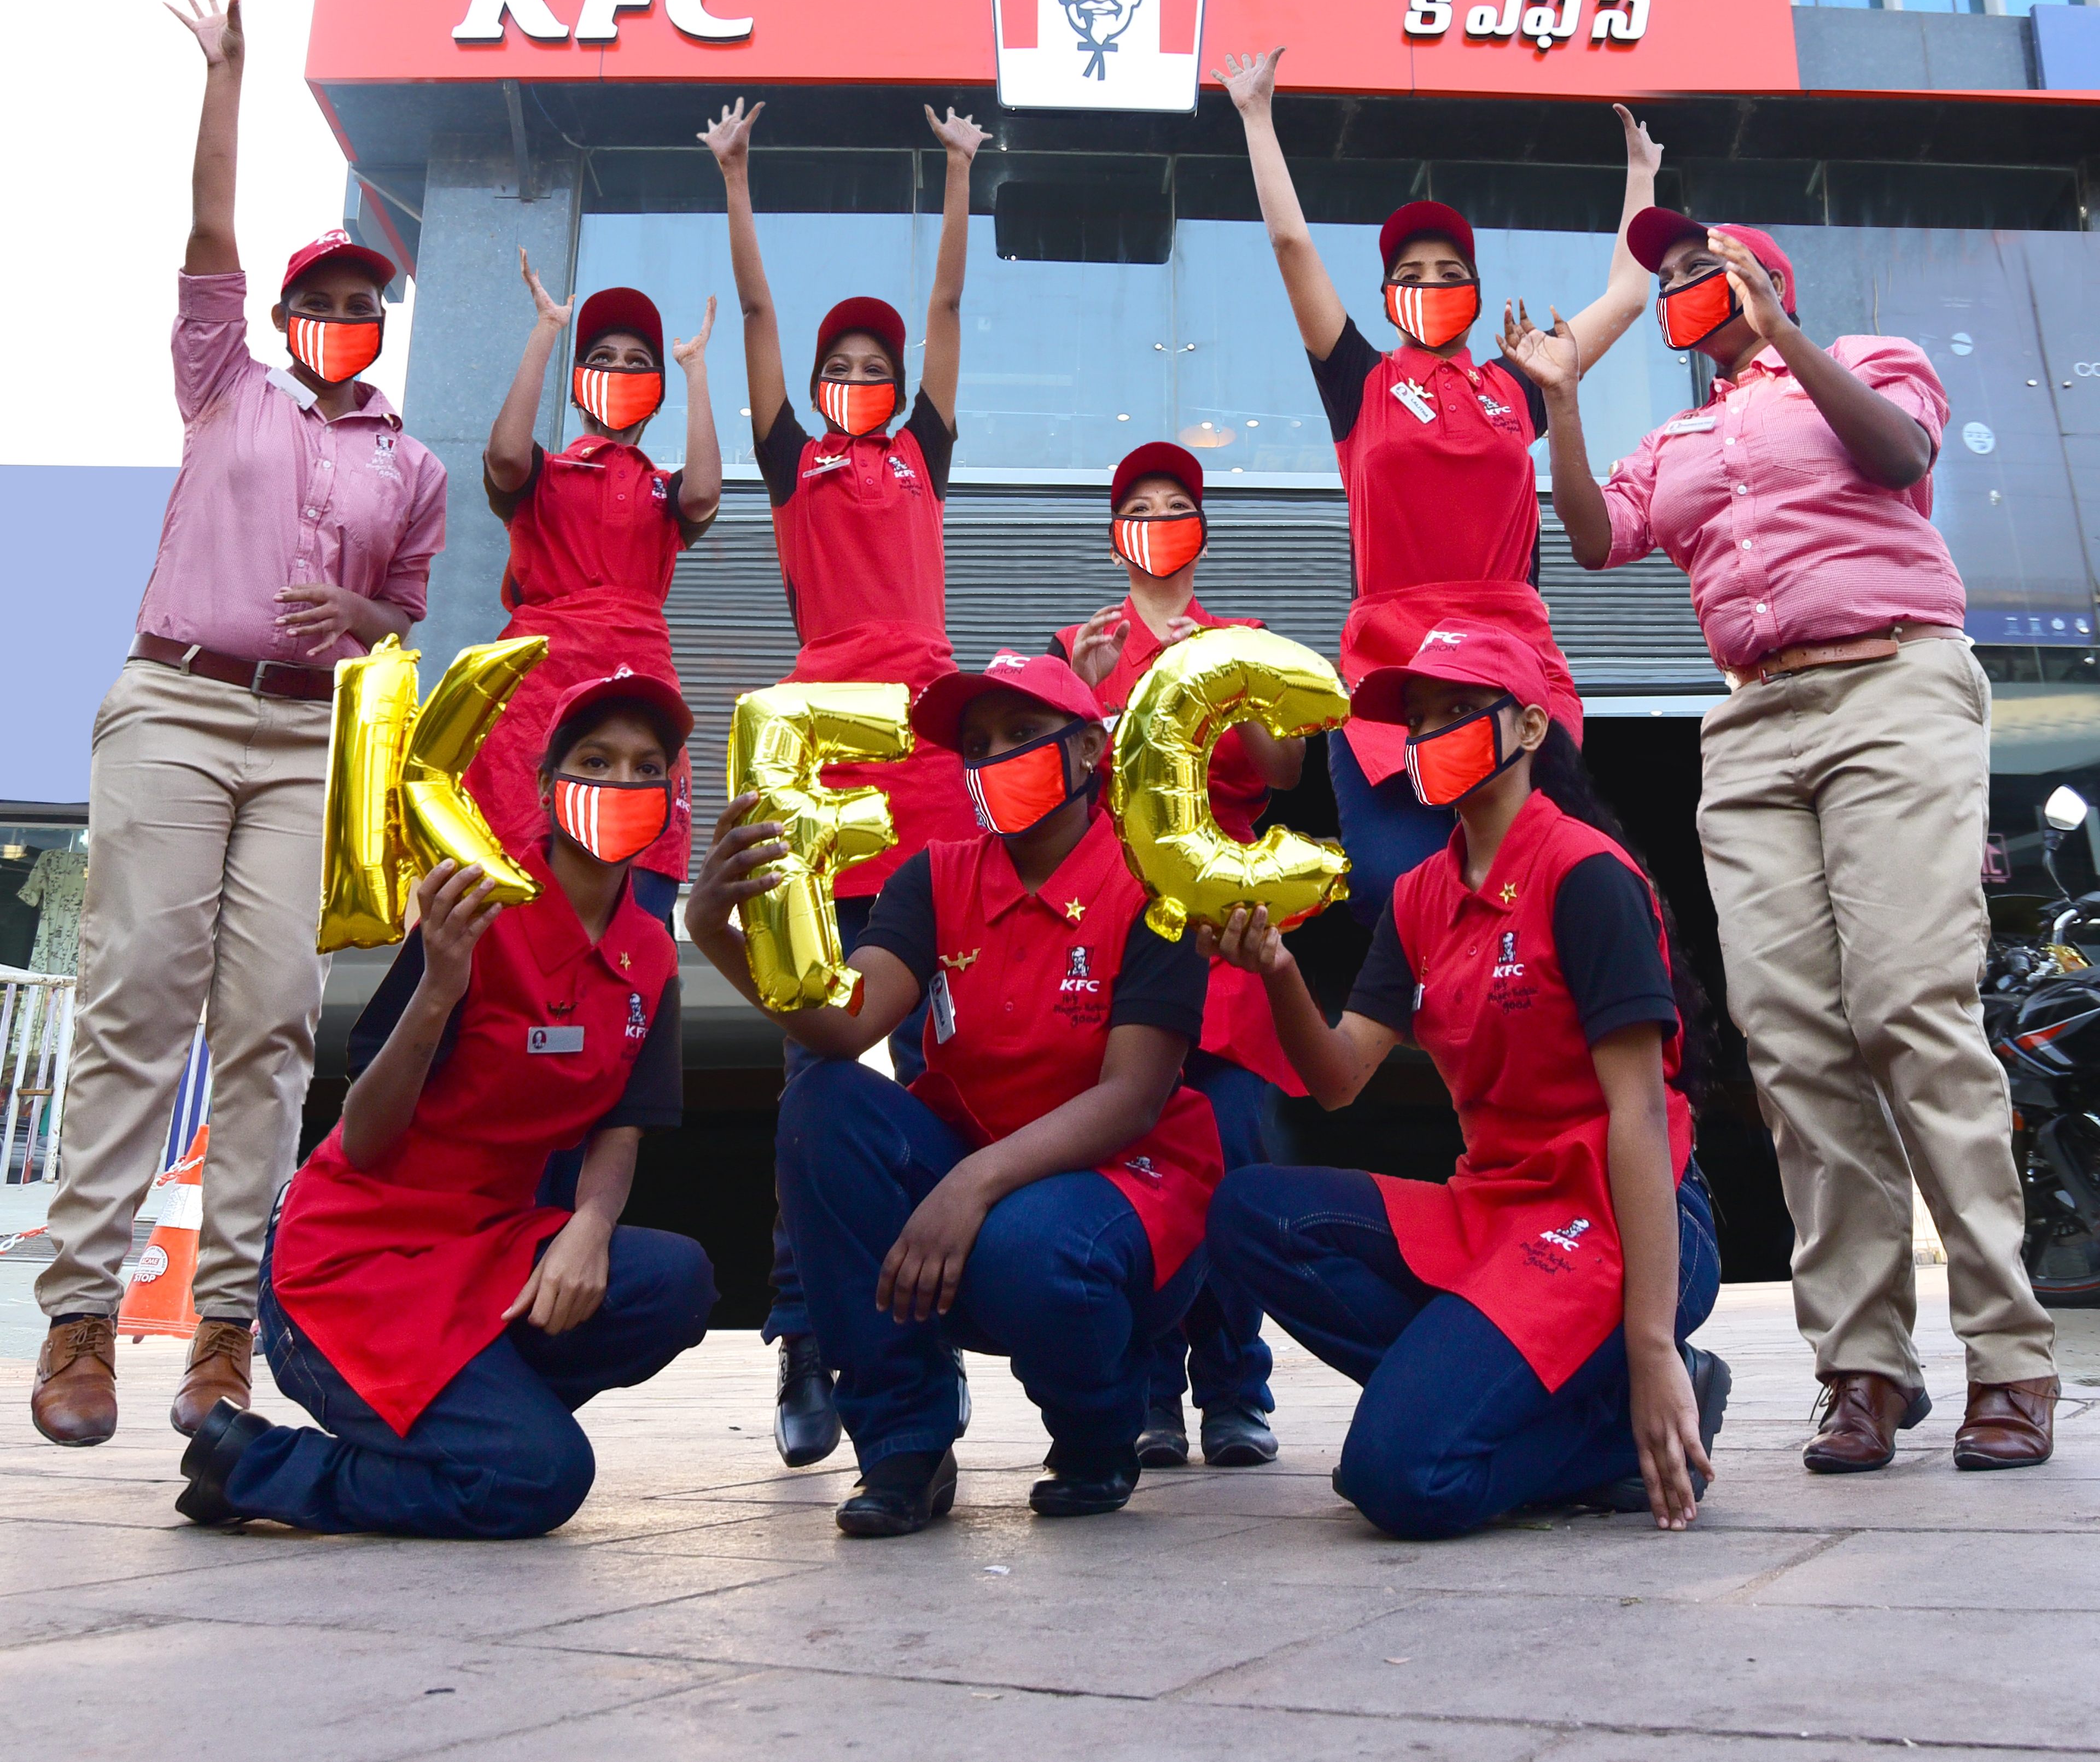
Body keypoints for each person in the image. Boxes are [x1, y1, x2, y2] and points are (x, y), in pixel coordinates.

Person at [1545, 205, 2060, 1473]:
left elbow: (1896, 454)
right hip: (1756, 722)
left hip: (1890, 681)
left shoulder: (1868, 358)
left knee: (1905, 1005)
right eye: (1668, 280)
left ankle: (2007, 1351)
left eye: (1701, 268)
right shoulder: (1670, 438)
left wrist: (1781, 331)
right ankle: (1863, 1365)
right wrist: (1558, 399)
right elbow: (1600, 539)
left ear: (1765, 280)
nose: (1683, 288)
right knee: (1791, 1040)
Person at [31, 0, 447, 1449]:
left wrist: (369, 621)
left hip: (302, 741)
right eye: (321, 302)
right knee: (141, 994)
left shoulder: (414, 465)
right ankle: (83, 1315)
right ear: (281, 318)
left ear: (381, 327)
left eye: (364, 305)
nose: (343, 319)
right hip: (175, 705)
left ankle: (223, 1331)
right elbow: (204, 237)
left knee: (272, 1021)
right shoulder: (227, 388)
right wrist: (228, 81)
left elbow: (402, 604)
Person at [1203, 625, 1730, 1538]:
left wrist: (1650, 1347)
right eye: (1417, 720)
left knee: (1400, 1479)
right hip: (1494, 1207)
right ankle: (1571, 1414)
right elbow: (1336, 1081)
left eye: (1455, 712)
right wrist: (1278, 969)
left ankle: (1611, 1406)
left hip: (1613, 1213)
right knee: (1250, 1211)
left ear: (1528, 727)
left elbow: (1639, 1113)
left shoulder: (1584, 875)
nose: (1428, 737)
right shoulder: (1420, 897)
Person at [686, 652, 1221, 1537]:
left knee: (1036, 1252)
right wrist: (718, 934)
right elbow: (843, 1025)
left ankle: (1098, 1432)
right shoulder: (934, 879)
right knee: (825, 1105)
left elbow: (1131, 1098)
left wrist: (968, 1188)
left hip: (1123, 1188)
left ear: (1091, 750)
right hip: (978, 1170)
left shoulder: (1155, 882)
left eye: (1020, 736)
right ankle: (905, 1446)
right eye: (977, 745)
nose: (994, 759)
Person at [173, 674, 714, 1536]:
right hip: (353, 1265)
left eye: (648, 767)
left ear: (674, 795)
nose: (624, 784)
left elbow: (624, 1119)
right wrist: (439, 987)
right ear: (547, 787)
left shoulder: (649, 948)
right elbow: (369, 1135)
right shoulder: (473, 910)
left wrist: (590, 1224)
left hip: (487, 1250)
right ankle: (258, 1464)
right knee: (542, 1481)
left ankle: (473, 1423)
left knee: (676, 1279)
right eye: (596, 760)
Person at [703, 95, 989, 1466]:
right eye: (849, 358)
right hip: (818, 751)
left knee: (941, 1037)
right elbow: (758, 318)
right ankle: (804, 1333)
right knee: (811, 1048)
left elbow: (945, 300)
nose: (868, 370)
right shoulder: (794, 455)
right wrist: (739, 177)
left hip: (924, 750)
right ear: (822, 383)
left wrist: (953, 169)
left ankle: (928, 1311)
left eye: (880, 358)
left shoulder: (918, 451)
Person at [1214, 49, 1661, 913]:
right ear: (1387, 298)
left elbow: (1630, 296)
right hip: (1395, 679)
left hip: (1513, 670)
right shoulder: (1362, 384)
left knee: (1544, 889)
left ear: (1478, 290)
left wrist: (1642, 175)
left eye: (1450, 273)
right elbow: (1289, 242)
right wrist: (1256, 115)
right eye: (1411, 275)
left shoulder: (1519, 384)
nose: (1432, 286)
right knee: (1406, 894)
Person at [1052, 440, 1302, 1469]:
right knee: (1135, 1155)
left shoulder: (1239, 638)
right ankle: (1150, 1390)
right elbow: (1060, 793)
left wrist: (1244, 686)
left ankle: (1237, 1387)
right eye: (1138, 506)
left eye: (1176, 505)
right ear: (1116, 536)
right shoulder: (1083, 642)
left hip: (1227, 930)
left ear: (1201, 531)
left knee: (1239, 1145)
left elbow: (1282, 770)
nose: (1158, 520)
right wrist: (1083, 696)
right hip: (1122, 924)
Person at [463, 255, 722, 927]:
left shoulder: (663, 489)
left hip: (640, 695)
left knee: (637, 897)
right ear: (580, 385)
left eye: (638, 361)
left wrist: (695, 371)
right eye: (602, 357)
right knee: (517, 894)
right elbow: (504, 457)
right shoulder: (545, 474)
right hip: (535, 700)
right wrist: (548, 328)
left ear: (655, 390)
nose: (619, 370)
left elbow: (704, 493)